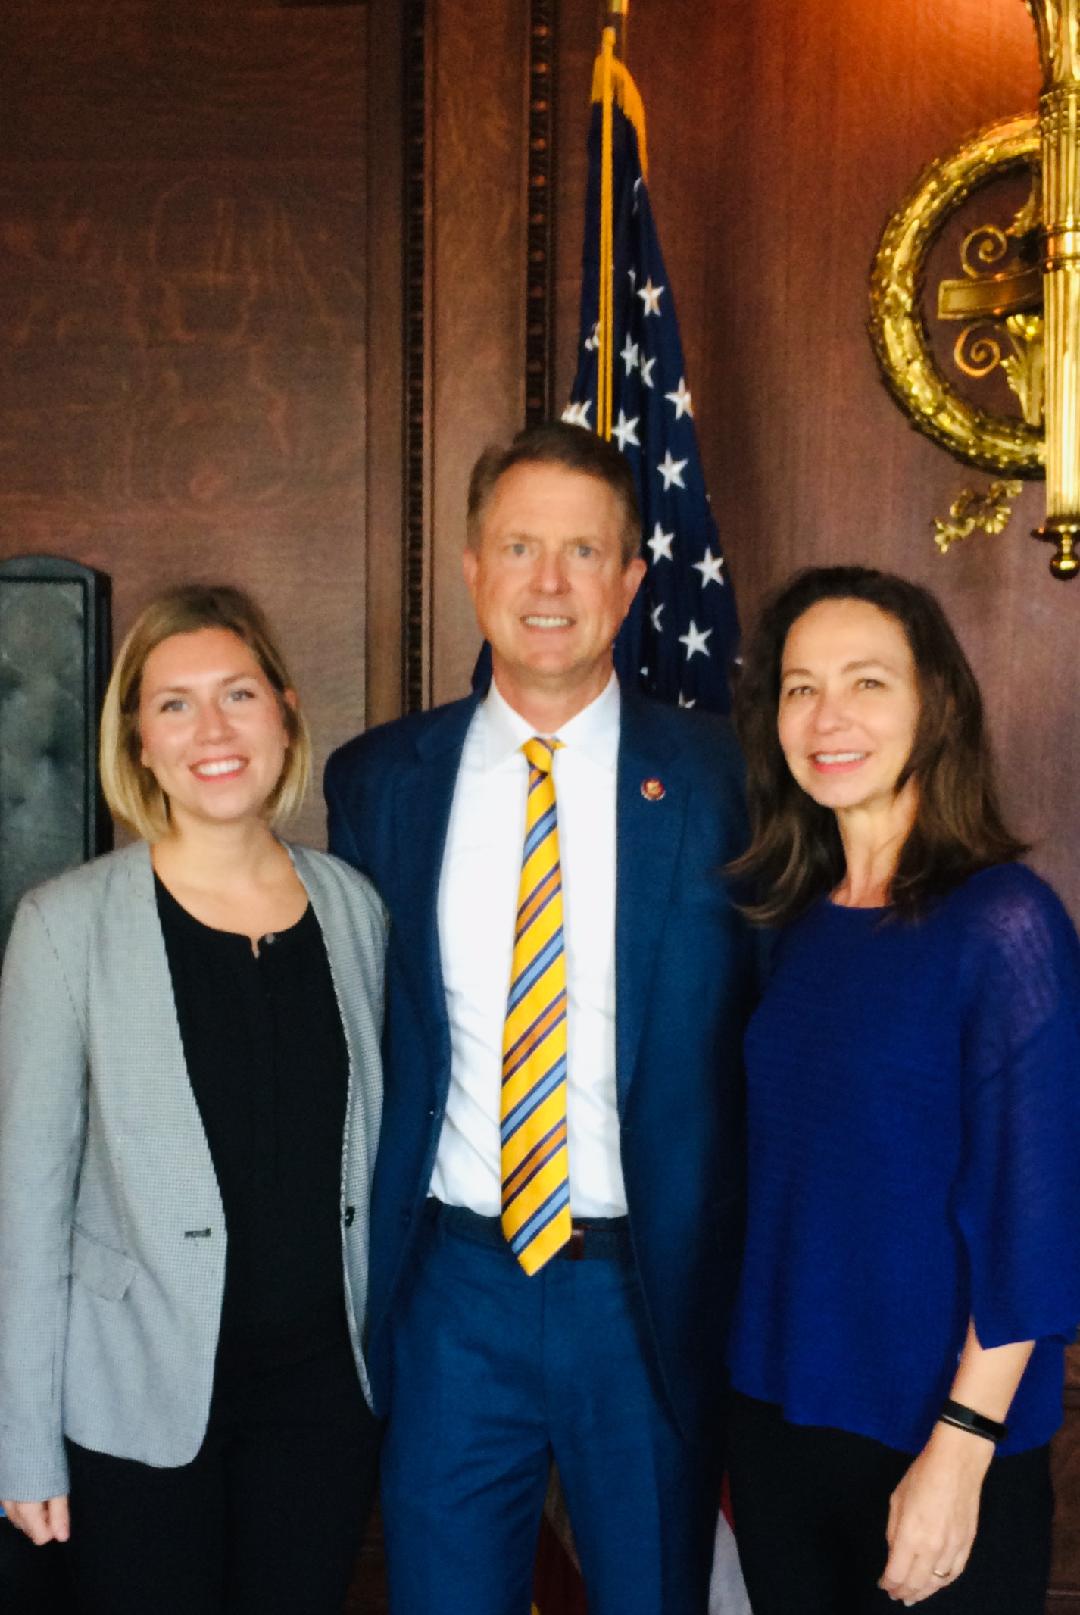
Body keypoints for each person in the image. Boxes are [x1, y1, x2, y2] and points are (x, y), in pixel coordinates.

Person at [325, 420, 757, 1614]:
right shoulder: (378, 783)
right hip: (454, 1289)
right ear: (474, 568)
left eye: (583, 551)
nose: (549, 583)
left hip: (648, 1294)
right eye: (520, 547)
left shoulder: (731, 782)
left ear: (631, 580)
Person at [0, 584, 386, 1615]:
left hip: (321, 1408)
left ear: (286, 712)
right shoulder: (64, 926)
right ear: (139, 739)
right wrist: (21, 1439)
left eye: (238, 695)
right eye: (175, 704)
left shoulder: (356, 909)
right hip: (134, 1407)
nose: (212, 730)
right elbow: (25, 1211)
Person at [724, 564, 1080, 1613]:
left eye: (867, 682)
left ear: (938, 705)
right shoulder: (793, 921)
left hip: (938, 1435)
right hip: (778, 1420)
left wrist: (960, 1450)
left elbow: (1035, 1222)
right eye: (800, 687)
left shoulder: (1004, 922)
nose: (827, 716)